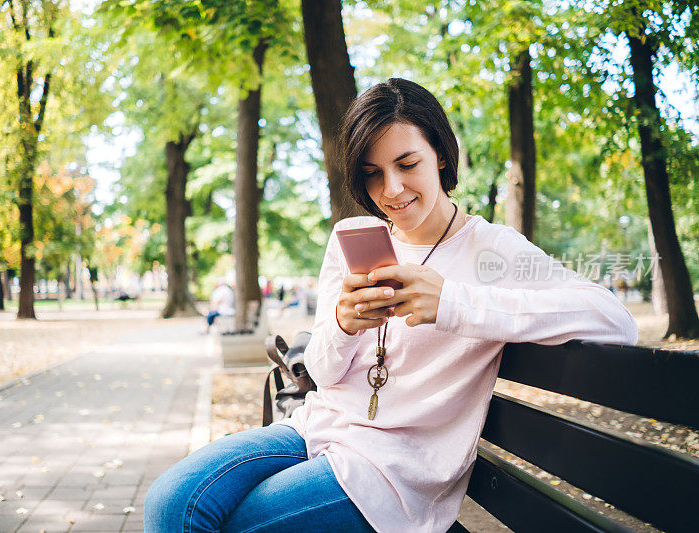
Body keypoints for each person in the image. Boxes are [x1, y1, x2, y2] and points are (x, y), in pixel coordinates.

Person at [144, 78, 638, 532]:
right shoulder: (352, 239)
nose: (391, 190)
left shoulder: (492, 250)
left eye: (407, 164)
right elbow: (322, 372)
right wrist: (341, 323)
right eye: (373, 174)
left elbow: (615, 320)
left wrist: (453, 302)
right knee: (169, 504)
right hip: (318, 427)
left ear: (441, 155)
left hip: (395, 470)